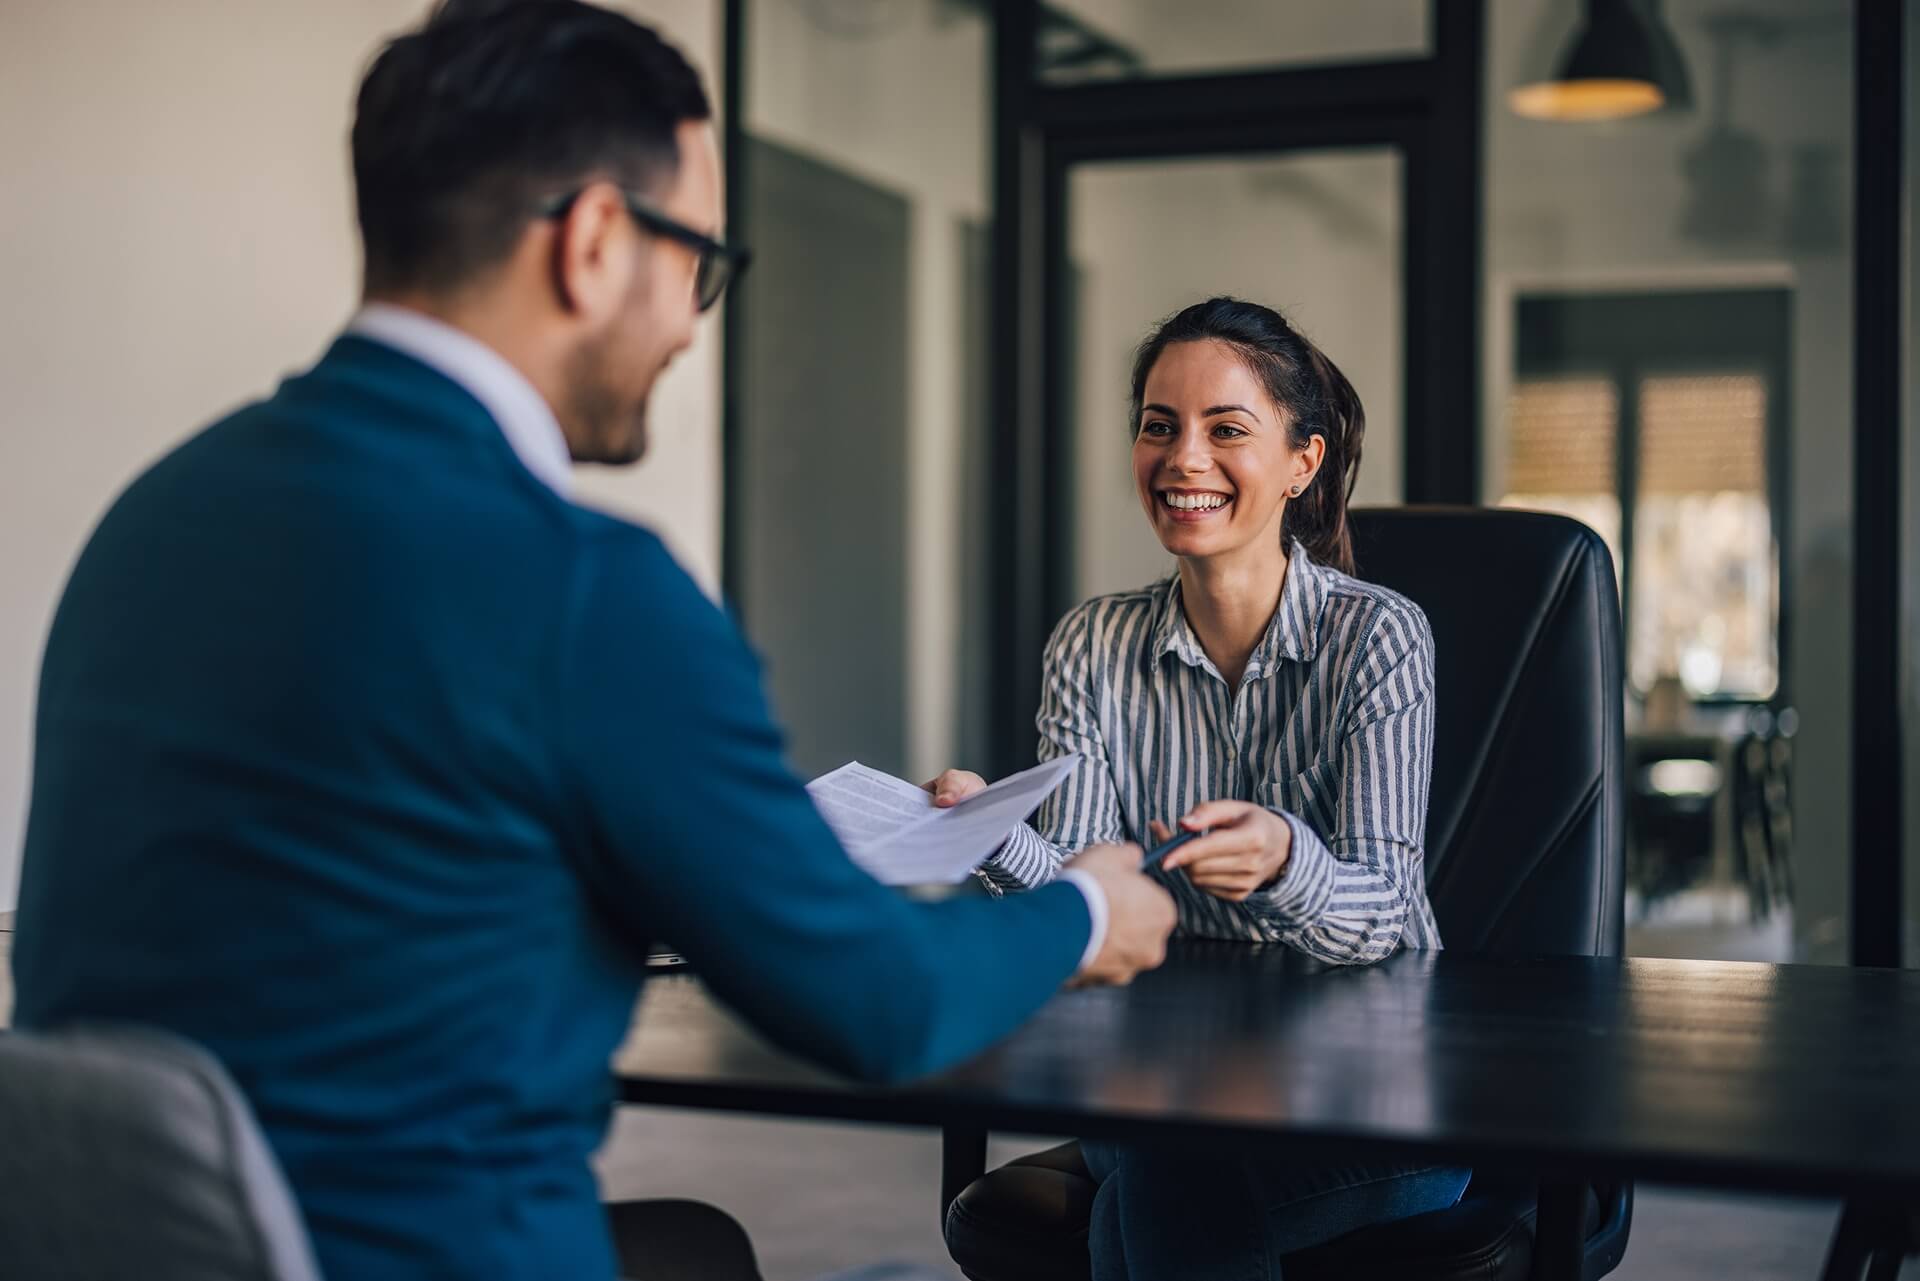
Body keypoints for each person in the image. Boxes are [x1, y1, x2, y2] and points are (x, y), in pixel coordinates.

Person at [9, 4, 1176, 1279]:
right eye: (701, 266)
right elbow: (877, 1006)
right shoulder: (581, 586)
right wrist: (1081, 911)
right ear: (597, 243)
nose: (690, 325)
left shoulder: (156, 517)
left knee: (696, 1254)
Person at [926, 297, 1470, 1278]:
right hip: (1157, 1075)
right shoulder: (1092, 642)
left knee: (1149, 1196)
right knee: (1162, 1159)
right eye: (1158, 426)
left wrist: (1287, 861)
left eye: (1226, 430)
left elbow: (1389, 913)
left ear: (1302, 462)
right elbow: (1088, 884)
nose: (1183, 459)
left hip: (1368, 1092)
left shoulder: (1379, 637)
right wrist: (990, 832)